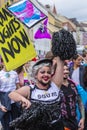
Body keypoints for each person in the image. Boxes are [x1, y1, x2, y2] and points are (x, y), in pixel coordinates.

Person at [8, 58, 64, 130]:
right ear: (35, 75)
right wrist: (23, 99)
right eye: (42, 72)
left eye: (48, 72)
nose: (46, 74)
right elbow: (11, 94)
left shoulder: (55, 85)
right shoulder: (30, 89)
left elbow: (61, 62)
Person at [61, 62, 85, 130]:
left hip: (74, 121)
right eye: (63, 70)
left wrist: (82, 118)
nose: (65, 71)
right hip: (62, 123)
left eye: (67, 69)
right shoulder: (55, 86)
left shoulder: (73, 84)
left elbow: (80, 102)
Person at [0, 58, 21, 130]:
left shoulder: (14, 73)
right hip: (4, 101)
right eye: (6, 61)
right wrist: (0, 105)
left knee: (15, 123)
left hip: (14, 101)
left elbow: (18, 87)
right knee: (6, 124)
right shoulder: (0, 74)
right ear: (2, 63)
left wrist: (21, 99)